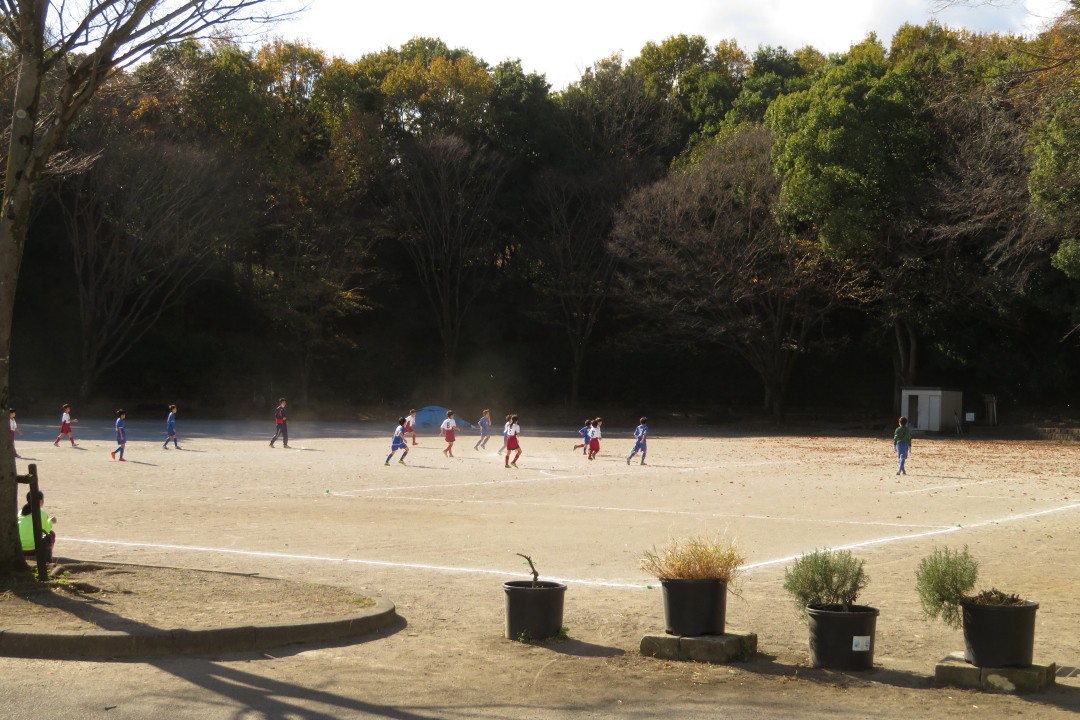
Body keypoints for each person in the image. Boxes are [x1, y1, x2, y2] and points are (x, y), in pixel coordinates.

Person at [19, 490, 56, 562]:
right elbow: (46, 529)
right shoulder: (41, 513)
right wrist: (51, 522)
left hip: (19, 549)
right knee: (52, 534)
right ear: (41, 501)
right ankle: (47, 557)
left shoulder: (20, 512)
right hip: (34, 549)